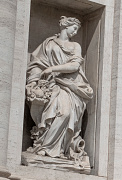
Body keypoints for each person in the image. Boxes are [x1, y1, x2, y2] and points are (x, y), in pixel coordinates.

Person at [26, 16, 93, 160]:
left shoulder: (75, 46)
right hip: (50, 85)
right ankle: (45, 146)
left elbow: (75, 65)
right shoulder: (48, 44)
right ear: (65, 26)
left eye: (77, 30)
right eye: (74, 28)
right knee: (51, 114)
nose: (75, 32)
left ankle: (57, 148)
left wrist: (52, 69)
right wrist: (33, 81)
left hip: (69, 85)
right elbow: (37, 63)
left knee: (66, 113)